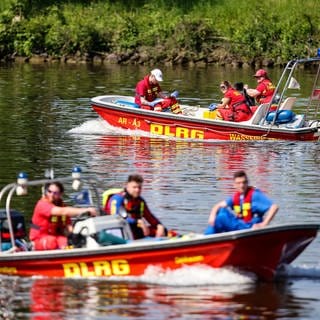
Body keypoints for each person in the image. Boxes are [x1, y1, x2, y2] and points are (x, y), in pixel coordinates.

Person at [204, 170, 278, 234]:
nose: (242, 185)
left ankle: (207, 238)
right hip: (240, 225)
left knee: (222, 217)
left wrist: (264, 224)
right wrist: (212, 215)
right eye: (239, 183)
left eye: (244, 182)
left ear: (247, 183)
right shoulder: (236, 197)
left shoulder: (255, 195)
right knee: (221, 211)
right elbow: (218, 205)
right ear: (234, 185)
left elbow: (274, 207)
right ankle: (209, 238)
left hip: (249, 227)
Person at [29, 181, 98, 250]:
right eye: (49, 191)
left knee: (71, 242)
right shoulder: (42, 204)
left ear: (60, 194)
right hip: (39, 239)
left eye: (55, 193)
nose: (52, 195)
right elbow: (63, 211)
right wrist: (85, 210)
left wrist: (74, 236)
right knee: (52, 242)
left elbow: (68, 226)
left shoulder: (62, 206)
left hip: (55, 236)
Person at [104, 174, 166, 239]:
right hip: (119, 232)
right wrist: (137, 221)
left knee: (163, 230)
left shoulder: (140, 201)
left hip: (135, 230)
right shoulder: (117, 199)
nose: (137, 190)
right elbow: (116, 219)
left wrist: (159, 225)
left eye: (139, 187)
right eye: (134, 187)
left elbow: (150, 217)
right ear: (127, 186)